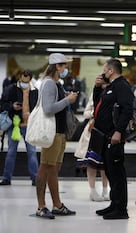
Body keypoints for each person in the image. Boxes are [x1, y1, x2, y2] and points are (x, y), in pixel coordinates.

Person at [35, 53, 78, 219]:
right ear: (57, 67)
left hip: (59, 132)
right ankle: (41, 206)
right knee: (45, 167)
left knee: (53, 169)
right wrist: (68, 100)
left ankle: (57, 205)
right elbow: (48, 108)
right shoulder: (49, 84)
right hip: (51, 133)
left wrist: (66, 97)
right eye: (64, 66)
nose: (66, 69)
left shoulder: (56, 84)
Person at [93, 58, 134, 220]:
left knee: (117, 172)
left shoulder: (122, 86)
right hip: (104, 135)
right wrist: (97, 88)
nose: (103, 73)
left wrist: (118, 132)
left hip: (114, 136)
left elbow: (127, 110)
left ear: (111, 71)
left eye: (105, 69)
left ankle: (121, 209)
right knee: (110, 171)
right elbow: (98, 104)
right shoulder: (111, 87)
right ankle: (114, 204)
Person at [0, 69, 39, 186]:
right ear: (20, 78)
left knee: (32, 152)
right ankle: (7, 178)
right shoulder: (11, 89)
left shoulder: (34, 91)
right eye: (23, 80)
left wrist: (32, 113)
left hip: (29, 125)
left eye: (27, 81)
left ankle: (35, 178)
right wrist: (12, 106)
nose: (24, 83)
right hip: (15, 124)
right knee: (11, 151)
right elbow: (2, 104)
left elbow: (38, 107)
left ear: (30, 79)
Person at [74, 91, 109, 201]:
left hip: (107, 130)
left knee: (105, 164)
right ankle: (93, 191)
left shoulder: (114, 93)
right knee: (91, 162)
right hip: (92, 131)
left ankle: (105, 190)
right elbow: (86, 113)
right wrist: (96, 112)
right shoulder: (94, 94)